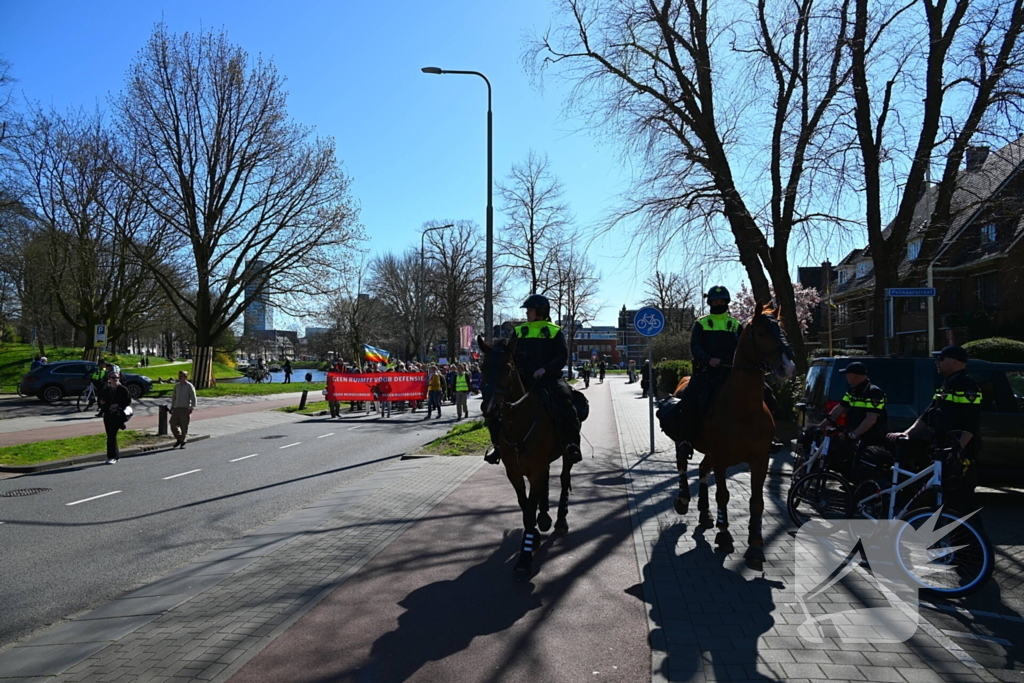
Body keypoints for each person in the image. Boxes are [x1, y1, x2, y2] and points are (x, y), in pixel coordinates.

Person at [674, 285, 781, 459]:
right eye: (715, 302)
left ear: (726, 303)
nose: (719, 304)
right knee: (689, 400)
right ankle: (685, 441)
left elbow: (746, 347)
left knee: (768, 396)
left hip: (732, 372)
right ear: (710, 303)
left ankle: (769, 437)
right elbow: (695, 347)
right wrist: (709, 359)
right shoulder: (701, 323)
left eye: (721, 301)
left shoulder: (735, 324)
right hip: (707, 372)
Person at [484, 294, 582, 465]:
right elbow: (510, 354)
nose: (527, 313)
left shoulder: (555, 331)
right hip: (523, 378)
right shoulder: (519, 331)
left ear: (540, 312)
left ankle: (572, 445)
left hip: (549, 378)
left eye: (530, 310)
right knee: (494, 406)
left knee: (566, 402)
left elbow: (561, 356)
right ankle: (497, 446)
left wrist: (546, 369)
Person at [887, 345, 983, 513]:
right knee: (941, 497)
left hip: (959, 455)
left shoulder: (968, 387)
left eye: (941, 359)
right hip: (942, 450)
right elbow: (927, 415)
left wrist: (957, 449)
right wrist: (907, 433)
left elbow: (971, 423)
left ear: (954, 361)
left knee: (962, 501)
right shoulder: (946, 385)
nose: (936, 362)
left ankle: (966, 531)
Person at [818, 361, 888, 479]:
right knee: (845, 466)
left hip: (871, 437)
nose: (846, 376)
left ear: (855, 375)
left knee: (861, 471)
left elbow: (871, 419)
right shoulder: (853, 390)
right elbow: (840, 408)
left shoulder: (873, 392)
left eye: (847, 374)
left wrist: (854, 434)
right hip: (855, 435)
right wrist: (820, 425)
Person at [98, 372, 132, 464]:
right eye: (113, 378)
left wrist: (117, 405)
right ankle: (114, 456)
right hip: (108, 415)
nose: (115, 379)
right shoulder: (106, 390)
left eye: (117, 377)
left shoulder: (123, 389)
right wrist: (103, 403)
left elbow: (128, 401)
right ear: (109, 379)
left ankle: (112, 457)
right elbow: (101, 402)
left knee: (112, 435)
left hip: (118, 415)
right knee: (110, 435)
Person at [169, 370, 197, 448]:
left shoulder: (189, 386)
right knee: (172, 424)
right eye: (179, 376)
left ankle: (183, 440)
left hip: (185, 409)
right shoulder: (177, 386)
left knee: (183, 426)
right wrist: (172, 407)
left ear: (186, 377)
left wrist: (192, 408)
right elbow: (174, 397)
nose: (180, 378)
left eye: (182, 376)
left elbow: (193, 397)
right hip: (176, 408)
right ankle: (179, 438)